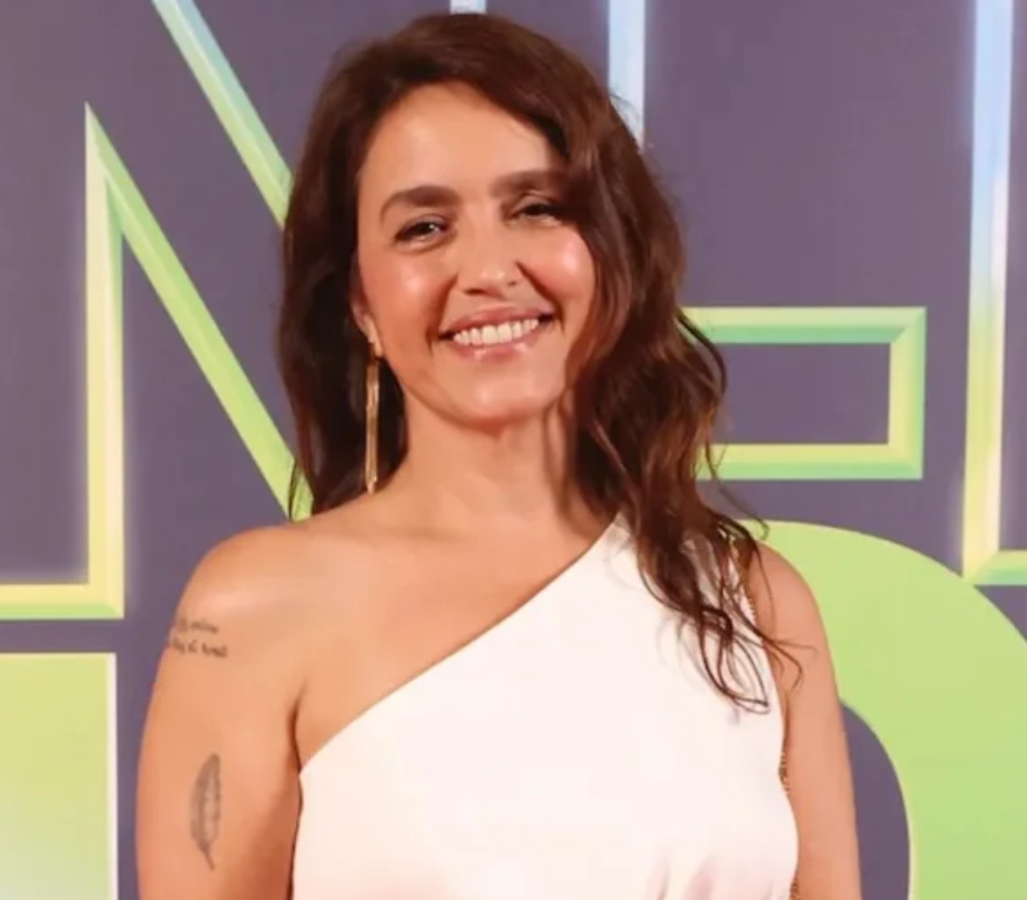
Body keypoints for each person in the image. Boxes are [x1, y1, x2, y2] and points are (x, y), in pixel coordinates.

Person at [135, 11, 861, 900]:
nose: (488, 269)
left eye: (537, 209)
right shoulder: (255, 608)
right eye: (423, 228)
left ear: (609, 252)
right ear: (361, 304)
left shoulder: (755, 602)